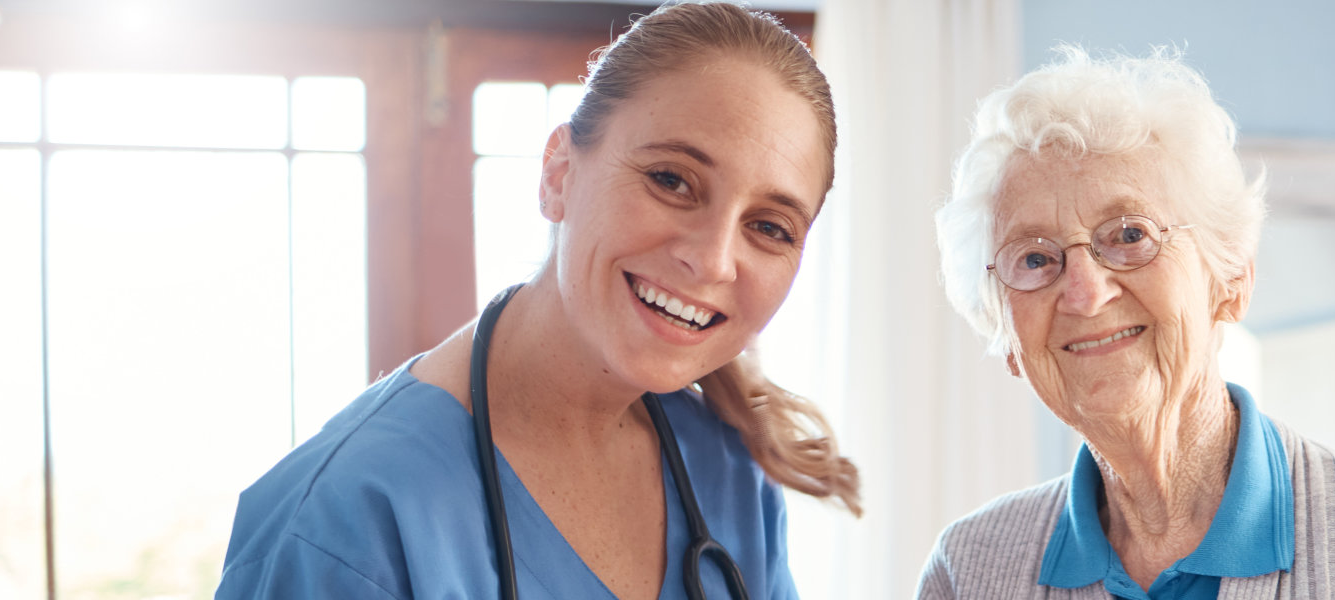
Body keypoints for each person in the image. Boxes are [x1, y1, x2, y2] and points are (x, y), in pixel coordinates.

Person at [217, 3, 859, 598]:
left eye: (770, 227)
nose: (714, 259)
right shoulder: (343, 521)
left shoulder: (725, 478)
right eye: (672, 180)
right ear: (558, 174)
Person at [919, 47, 1335, 599]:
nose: (1084, 291)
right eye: (1034, 257)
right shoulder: (969, 573)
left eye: (1130, 235)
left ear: (1232, 278)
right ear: (1005, 335)